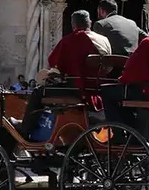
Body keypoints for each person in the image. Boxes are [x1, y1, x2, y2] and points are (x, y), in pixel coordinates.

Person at [19, 10, 103, 139]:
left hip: (75, 91)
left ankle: (26, 129)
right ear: (90, 23)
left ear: (73, 25)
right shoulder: (103, 40)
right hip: (97, 92)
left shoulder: (70, 40)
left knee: (38, 92)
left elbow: (54, 63)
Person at [101, 11, 149, 141]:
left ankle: (119, 133)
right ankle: (131, 128)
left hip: (148, 91)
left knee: (107, 91)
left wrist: (122, 79)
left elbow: (132, 68)